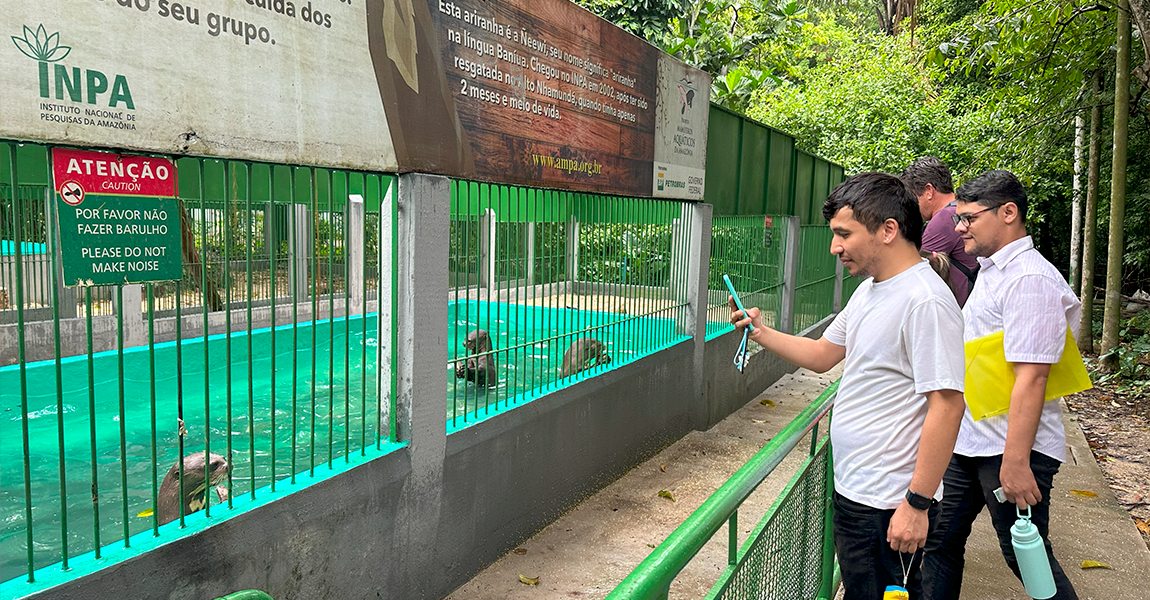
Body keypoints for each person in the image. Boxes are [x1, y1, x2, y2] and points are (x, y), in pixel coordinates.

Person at [731, 172, 966, 600]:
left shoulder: (925, 301)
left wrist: (916, 504)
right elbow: (823, 354)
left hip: (891, 504)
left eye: (844, 234)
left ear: (888, 230)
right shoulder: (870, 291)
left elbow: (948, 406)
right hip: (857, 491)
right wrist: (761, 332)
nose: (835, 247)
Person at [922, 170, 1081, 600]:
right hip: (970, 440)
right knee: (937, 544)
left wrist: (1015, 463)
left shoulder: (1029, 279)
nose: (958, 228)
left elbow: (1032, 377)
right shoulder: (991, 272)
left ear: (1008, 213)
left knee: (1024, 555)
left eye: (969, 218)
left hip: (1010, 449)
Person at [901, 157, 979, 306]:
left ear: (929, 191)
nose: (910, 207)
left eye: (913, 198)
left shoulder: (944, 218)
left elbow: (913, 273)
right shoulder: (961, 212)